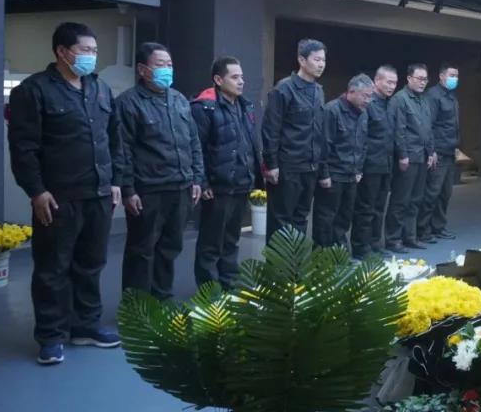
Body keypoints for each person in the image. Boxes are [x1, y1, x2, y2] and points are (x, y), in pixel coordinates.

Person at [8, 22, 123, 365]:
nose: (92, 56)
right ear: (62, 51)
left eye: (95, 51)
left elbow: (114, 140)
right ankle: (51, 335)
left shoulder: (100, 88)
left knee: (91, 264)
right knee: (52, 268)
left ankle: (85, 325)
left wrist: (116, 181)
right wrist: (36, 191)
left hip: (98, 193)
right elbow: (24, 148)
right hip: (58, 197)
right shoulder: (34, 91)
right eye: (85, 50)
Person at [115, 42, 205, 301]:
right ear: (143, 69)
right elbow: (123, 150)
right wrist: (128, 189)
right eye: (160, 64)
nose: (167, 69)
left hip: (181, 187)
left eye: (170, 64)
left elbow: (193, 141)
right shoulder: (128, 103)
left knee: (170, 248)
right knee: (142, 250)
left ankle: (162, 301)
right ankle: (137, 307)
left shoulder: (179, 99)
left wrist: (197, 178)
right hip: (148, 190)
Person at [191, 57, 260, 290]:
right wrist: (202, 182)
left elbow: (250, 143)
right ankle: (209, 290)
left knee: (232, 239)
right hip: (217, 186)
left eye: (242, 77)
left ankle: (229, 283)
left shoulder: (245, 106)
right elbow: (197, 148)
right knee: (211, 242)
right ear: (218, 80)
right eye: (235, 77)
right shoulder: (204, 108)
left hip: (241, 183)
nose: (241, 81)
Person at [262, 39, 326, 239]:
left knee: (301, 217)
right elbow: (271, 129)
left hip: (310, 166)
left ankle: (295, 259)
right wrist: (272, 164)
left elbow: (320, 131)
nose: (321, 64)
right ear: (302, 60)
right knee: (281, 219)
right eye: (317, 59)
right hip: (288, 166)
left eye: (323, 60)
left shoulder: (318, 91)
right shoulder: (284, 88)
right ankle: (277, 260)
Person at [312, 74, 373, 248]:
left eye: (370, 96)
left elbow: (363, 144)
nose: (368, 101)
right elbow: (324, 145)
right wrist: (324, 174)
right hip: (333, 174)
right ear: (351, 92)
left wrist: (359, 169)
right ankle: (322, 254)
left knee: (344, 216)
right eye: (365, 96)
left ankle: (339, 251)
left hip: (351, 174)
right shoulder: (332, 110)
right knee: (326, 216)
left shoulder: (363, 113)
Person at [384, 63, 435, 252]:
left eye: (425, 79)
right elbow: (398, 130)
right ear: (409, 78)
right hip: (408, 157)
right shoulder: (400, 99)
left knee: (415, 199)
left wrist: (431, 152)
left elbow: (428, 128)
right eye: (419, 78)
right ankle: (393, 239)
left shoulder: (424, 100)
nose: (423, 82)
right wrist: (403, 155)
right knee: (401, 200)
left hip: (422, 156)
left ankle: (410, 236)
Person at [351, 65, 398, 259]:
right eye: (388, 82)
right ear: (377, 81)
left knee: (379, 208)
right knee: (366, 208)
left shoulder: (390, 104)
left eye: (395, 83)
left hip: (386, 164)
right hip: (370, 164)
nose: (392, 86)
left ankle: (375, 244)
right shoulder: (368, 104)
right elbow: (362, 136)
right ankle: (361, 247)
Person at [417, 63, 460, 243]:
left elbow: (452, 125)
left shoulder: (451, 96)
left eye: (456, 76)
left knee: (445, 193)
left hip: (449, 151)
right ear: (441, 76)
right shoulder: (433, 96)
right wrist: (431, 150)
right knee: (431, 193)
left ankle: (438, 227)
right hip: (438, 152)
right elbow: (429, 125)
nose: (455, 79)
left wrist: (456, 146)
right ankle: (422, 230)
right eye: (452, 75)